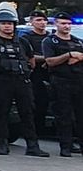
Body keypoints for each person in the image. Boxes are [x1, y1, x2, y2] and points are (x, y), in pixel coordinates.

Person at [0, 8, 48, 157]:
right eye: (3, 23)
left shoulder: (22, 41)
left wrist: (25, 72)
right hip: (3, 81)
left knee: (27, 113)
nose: (7, 26)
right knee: (2, 113)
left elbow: (31, 60)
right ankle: (3, 144)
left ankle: (32, 145)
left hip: (22, 81)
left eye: (10, 23)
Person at [43, 16, 83, 157]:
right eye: (63, 23)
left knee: (80, 116)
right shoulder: (50, 41)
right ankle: (66, 146)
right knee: (64, 116)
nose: (66, 26)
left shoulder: (77, 41)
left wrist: (78, 57)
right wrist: (69, 55)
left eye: (68, 23)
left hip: (78, 81)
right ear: (56, 24)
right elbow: (50, 61)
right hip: (60, 82)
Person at [20, 9, 51, 143]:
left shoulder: (51, 37)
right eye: (38, 20)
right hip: (34, 74)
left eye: (44, 20)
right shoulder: (26, 38)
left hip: (51, 74)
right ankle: (33, 133)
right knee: (34, 104)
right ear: (31, 22)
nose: (42, 23)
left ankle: (42, 129)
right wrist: (47, 59)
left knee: (46, 104)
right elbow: (26, 56)